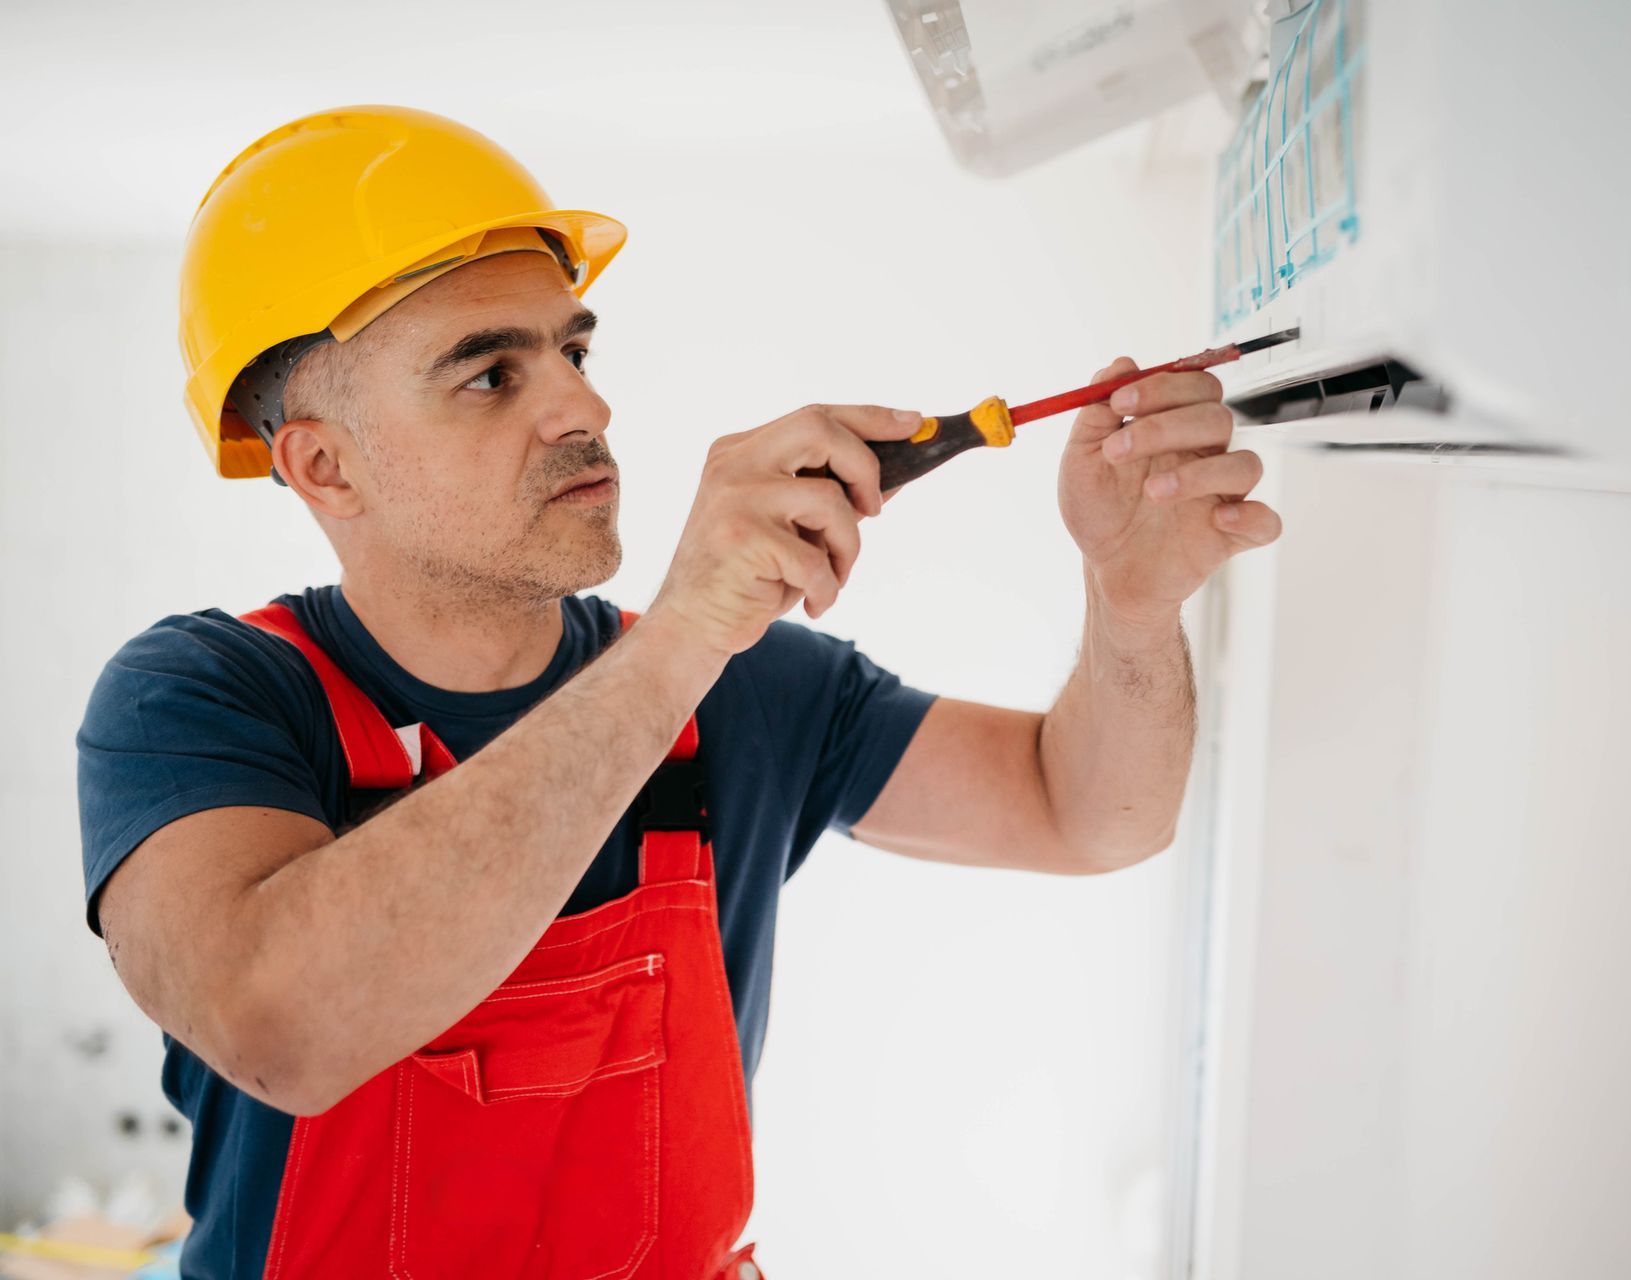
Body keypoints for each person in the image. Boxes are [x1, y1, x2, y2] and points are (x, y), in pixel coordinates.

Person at [75, 106, 1281, 1280]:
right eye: (490, 376)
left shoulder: (747, 689)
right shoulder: (203, 700)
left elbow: (1089, 812)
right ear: (325, 465)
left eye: (574, 350)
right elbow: (281, 1027)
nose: (584, 408)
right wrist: (684, 636)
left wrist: (1130, 602)